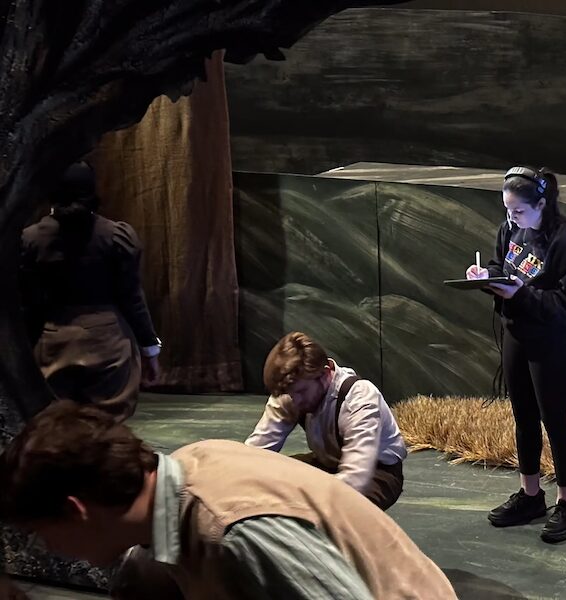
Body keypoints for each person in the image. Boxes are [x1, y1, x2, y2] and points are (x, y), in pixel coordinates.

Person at [0, 402, 456, 599]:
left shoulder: (232, 531)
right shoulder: (181, 471)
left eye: (43, 535)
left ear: (77, 511)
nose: (51, 549)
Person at [463, 166, 566, 543]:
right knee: (523, 416)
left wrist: (521, 294)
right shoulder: (510, 228)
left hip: (553, 340)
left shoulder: (565, 241)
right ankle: (531, 495)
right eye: (507, 210)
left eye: (518, 211)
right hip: (516, 332)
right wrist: (485, 276)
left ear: (541, 204)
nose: (511, 218)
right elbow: (502, 266)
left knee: (555, 419)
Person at [19, 162, 161, 421]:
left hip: (52, 341)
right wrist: (149, 348)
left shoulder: (31, 239)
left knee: (58, 430)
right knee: (105, 430)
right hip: (107, 340)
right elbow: (132, 297)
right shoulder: (116, 236)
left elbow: (27, 303)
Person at [245, 331, 407, 510]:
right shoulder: (291, 393)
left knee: (337, 510)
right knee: (272, 479)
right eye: (290, 394)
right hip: (328, 463)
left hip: (375, 472)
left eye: (301, 392)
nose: (295, 400)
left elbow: (356, 475)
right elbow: (256, 452)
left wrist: (307, 501)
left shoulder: (359, 399)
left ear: (325, 373)